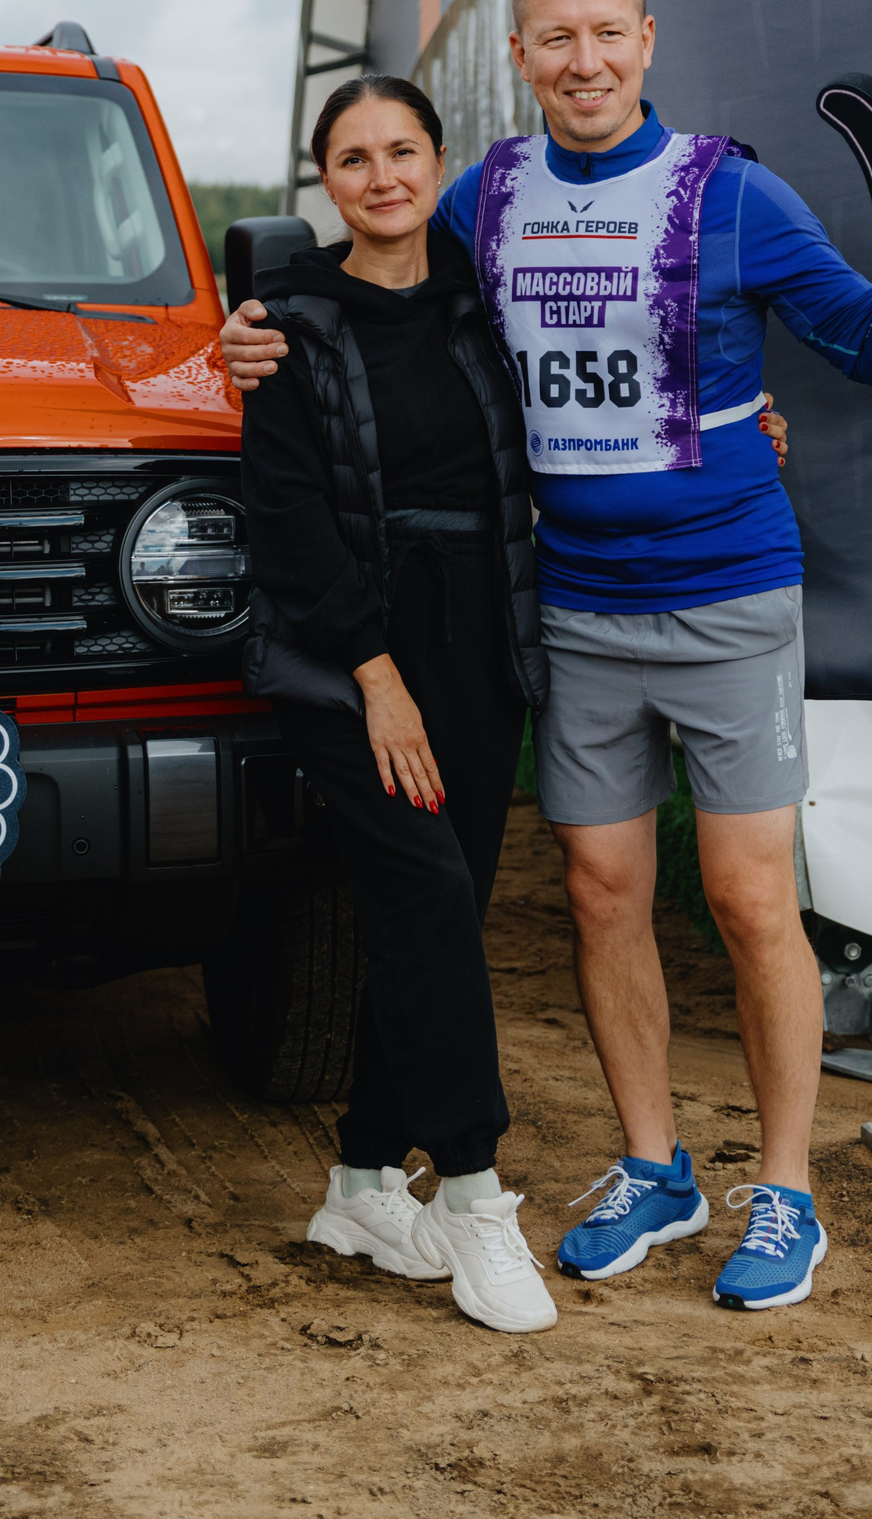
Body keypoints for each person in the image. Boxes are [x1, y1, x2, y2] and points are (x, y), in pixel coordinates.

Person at [224, 0, 872, 1311]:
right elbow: (375, 280)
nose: (583, 62)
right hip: (569, 602)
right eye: (554, 39)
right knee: (601, 894)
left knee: (746, 897)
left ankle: (787, 1190)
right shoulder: (484, 198)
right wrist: (251, 331)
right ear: (519, 60)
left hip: (728, 587)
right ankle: (653, 1164)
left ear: (649, 37)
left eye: (606, 33)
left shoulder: (732, 193)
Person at [245, 74, 573, 1334]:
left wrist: (739, 414)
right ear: (322, 181)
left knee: (438, 905)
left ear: (440, 161)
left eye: (401, 151)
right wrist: (374, 675)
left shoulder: (483, 303)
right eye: (351, 158)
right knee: (426, 893)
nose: (380, 176)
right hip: (349, 654)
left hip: (480, 633)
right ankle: (479, 1200)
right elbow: (283, 520)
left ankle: (361, 1177)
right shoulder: (287, 320)